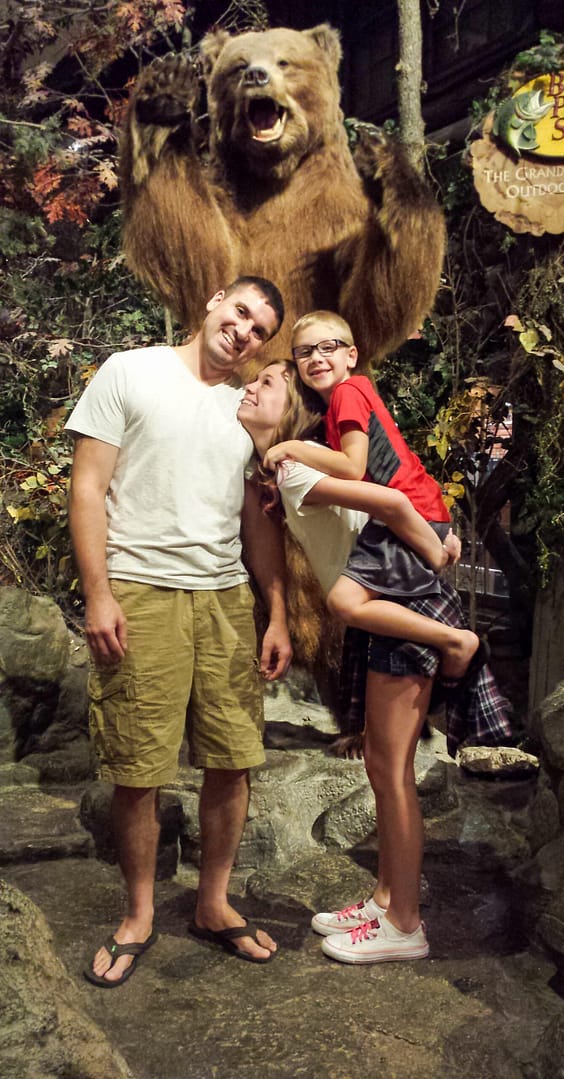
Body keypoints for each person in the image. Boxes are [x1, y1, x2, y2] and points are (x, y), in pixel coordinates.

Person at [238, 360, 512, 964]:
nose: (249, 387)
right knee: (384, 771)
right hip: (387, 601)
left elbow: (389, 500)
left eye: (266, 383)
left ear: (287, 414)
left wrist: (432, 545)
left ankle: (405, 925)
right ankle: (386, 900)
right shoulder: (285, 475)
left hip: (402, 602)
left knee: (391, 774)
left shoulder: (297, 466)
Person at [67, 276, 292, 985]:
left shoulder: (248, 409)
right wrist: (98, 593)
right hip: (140, 590)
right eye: (242, 312)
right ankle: (138, 912)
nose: (244, 332)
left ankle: (212, 902)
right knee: (139, 765)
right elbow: (87, 487)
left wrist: (276, 610)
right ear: (214, 299)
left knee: (232, 756)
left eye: (259, 331)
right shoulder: (131, 371)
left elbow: (257, 521)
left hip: (225, 598)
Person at [263, 310, 486, 686]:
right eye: (304, 352)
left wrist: (291, 447)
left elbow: (351, 467)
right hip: (417, 512)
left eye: (327, 347)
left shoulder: (348, 393)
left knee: (343, 602)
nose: (316, 358)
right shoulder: (349, 398)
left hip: (408, 515)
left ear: (351, 355)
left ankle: (456, 642)